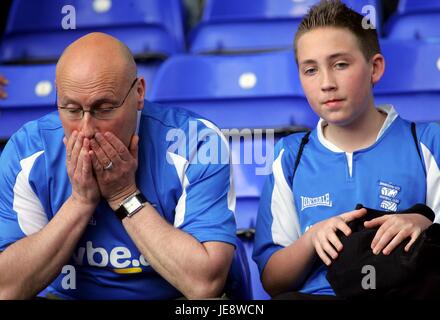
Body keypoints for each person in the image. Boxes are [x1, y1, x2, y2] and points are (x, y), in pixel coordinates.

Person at [0, 32, 236, 300]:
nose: (87, 129)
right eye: (72, 109)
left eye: (104, 108)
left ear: (138, 93)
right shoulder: (28, 150)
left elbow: (204, 285)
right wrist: (79, 202)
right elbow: (6, 288)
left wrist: (124, 195)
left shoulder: (196, 144)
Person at [253, 0, 440, 298]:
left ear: (374, 68)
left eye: (340, 64)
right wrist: (312, 239)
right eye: (311, 70)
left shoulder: (428, 143)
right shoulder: (290, 156)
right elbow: (272, 282)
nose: (327, 83)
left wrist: (423, 223)